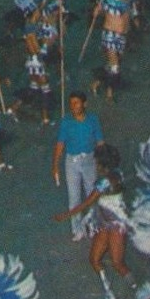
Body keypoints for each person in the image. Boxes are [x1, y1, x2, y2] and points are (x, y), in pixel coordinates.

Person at [53, 142, 130, 299]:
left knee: (117, 263)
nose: (95, 165)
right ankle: (109, 294)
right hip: (104, 224)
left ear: (103, 165)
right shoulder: (118, 175)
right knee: (94, 259)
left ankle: (138, 290)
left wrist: (65, 216)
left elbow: (85, 204)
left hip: (116, 226)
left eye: (96, 163)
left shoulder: (103, 184)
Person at [52, 92, 104, 242]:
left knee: (91, 193)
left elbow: (99, 141)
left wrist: (103, 161)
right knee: (74, 196)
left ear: (84, 104)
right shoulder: (66, 122)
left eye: (77, 103)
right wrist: (55, 165)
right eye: (71, 103)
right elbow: (60, 144)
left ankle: (94, 226)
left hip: (89, 159)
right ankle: (77, 229)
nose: (73, 106)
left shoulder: (93, 120)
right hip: (72, 161)